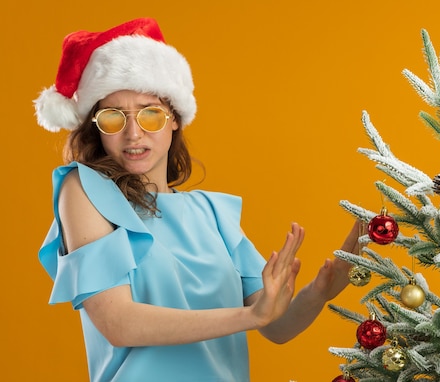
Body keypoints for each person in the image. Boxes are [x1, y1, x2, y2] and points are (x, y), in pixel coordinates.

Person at [35, 18, 360, 382]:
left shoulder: (212, 214)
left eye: (150, 114)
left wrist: (321, 291)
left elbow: (277, 326)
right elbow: (118, 323)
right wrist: (250, 318)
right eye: (113, 117)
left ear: (175, 119)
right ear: (96, 126)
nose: (133, 133)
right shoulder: (83, 190)